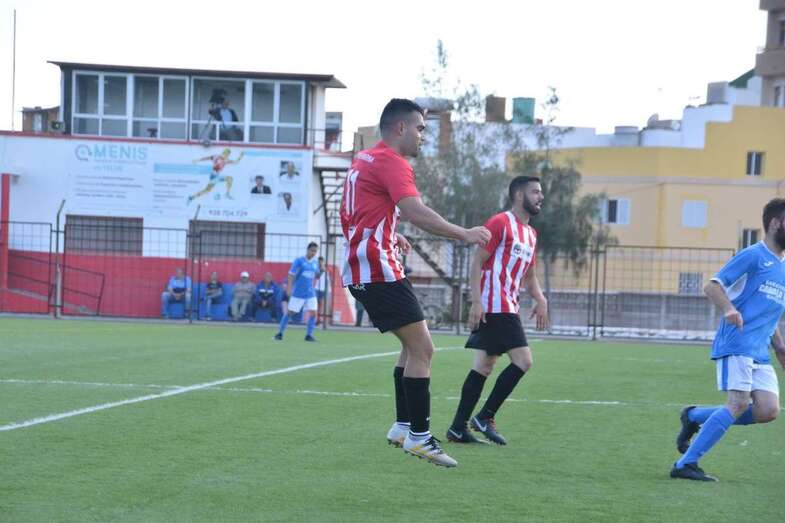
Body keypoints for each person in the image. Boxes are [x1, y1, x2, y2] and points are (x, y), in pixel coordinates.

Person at [340, 98, 490, 468]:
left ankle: (402, 426)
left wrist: (392, 234)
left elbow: (359, 211)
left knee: (411, 349)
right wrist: (463, 233)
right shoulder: (392, 162)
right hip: (379, 269)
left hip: (367, 265)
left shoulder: (366, 159)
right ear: (401, 128)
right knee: (424, 350)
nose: (424, 136)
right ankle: (420, 438)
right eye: (421, 128)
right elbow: (415, 211)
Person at [670, 198, 785, 482]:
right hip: (737, 343)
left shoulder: (783, 267)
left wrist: (780, 346)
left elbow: (769, 313)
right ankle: (685, 464)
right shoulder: (754, 255)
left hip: (759, 350)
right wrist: (729, 309)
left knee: (768, 411)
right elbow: (712, 286)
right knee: (736, 404)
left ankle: (694, 416)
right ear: (775, 223)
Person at [446, 176, 548, 446]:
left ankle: (458, 428)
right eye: (535, 192)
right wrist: (476, 302)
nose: (540, 197)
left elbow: (530, 275)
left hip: (508, 304)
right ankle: (484, 417)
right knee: (524, 361)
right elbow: (477, 261)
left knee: (484, 365)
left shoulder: (531, 234)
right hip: (495, 304)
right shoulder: (500, 222)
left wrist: (540, 298)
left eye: (541, 192)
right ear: (518, 196)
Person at [274, 243, 323, 342]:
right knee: (290, 312)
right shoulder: (299, 261)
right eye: (312, 250)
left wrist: (321, 269)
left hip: (310, 293)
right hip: (298, 293)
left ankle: (309, 335)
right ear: (308, 250)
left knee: (313, 313)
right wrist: (289, 288)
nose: (313, 253)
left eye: (315, 251)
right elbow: (291, 275)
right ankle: (279, 333)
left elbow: (316, 276)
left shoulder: (315, 263)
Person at [315, 256, 328, 324]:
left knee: (322, 305)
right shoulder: (316, 269)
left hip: (324, 289)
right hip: (316, 289)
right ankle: (316, 319)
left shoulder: (327, 270)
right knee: (315, 304)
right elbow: (317, 277)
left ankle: (321, 319)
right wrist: (321, 271)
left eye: (321, 261)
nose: (320, 263)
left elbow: (328, 280)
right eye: (319, 262)